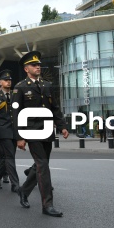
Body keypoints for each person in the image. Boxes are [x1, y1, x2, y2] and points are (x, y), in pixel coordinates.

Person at [12, 51, 69, 217]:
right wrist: (20, 137)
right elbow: (15, 115)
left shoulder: (46, 85)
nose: (38, 67)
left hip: (46, 130)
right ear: (26, 69)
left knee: (40, 166)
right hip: (31, 132)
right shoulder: (20, 88)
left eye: (39, 65)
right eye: (34, 65)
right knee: (43, 166)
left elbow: (55, 108)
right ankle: (47, 205)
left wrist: (62, 125)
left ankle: (23, 190)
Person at [0, 70, 20, 193]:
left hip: (14, 130)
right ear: (0, 82)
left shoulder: (15, 94)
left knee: (6, 159)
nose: (8, 82)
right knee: (10, 157)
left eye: (10, 80)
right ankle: (15, 184)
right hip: (2, 131)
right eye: (6, 80)